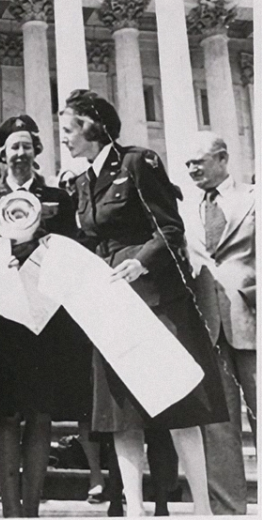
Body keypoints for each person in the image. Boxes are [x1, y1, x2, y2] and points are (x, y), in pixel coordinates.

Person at [59, 88, 228, 516]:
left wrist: (139, 263)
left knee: (181, 406)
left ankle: (203, 508)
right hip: (111, 305)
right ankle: (134, 509)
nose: (63, 138)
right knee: (123, 413)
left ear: (93, 127)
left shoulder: (137, 162)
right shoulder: (80, 181)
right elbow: (88, 241)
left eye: (68, 129)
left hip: (156, 301)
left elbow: (169, 229)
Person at [0, 114, 88, 517]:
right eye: (13, 146)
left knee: (40, 415)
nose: (20, 153)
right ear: (1, 154)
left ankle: (32, 509)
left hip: (46, 317)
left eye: (27, 145)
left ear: (36, 151)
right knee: (6, 416)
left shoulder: (59, 196)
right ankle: (10, 510)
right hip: (4, 316)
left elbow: (76, 248)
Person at [180, 131, 256, 515]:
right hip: (206, 324)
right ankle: (229, 511)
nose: (191, 168)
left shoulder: (253, 198)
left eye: (199, 161)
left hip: (252, 318)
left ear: (223, 159)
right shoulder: (185, 209)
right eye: (188, 163)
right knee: (218, 423)